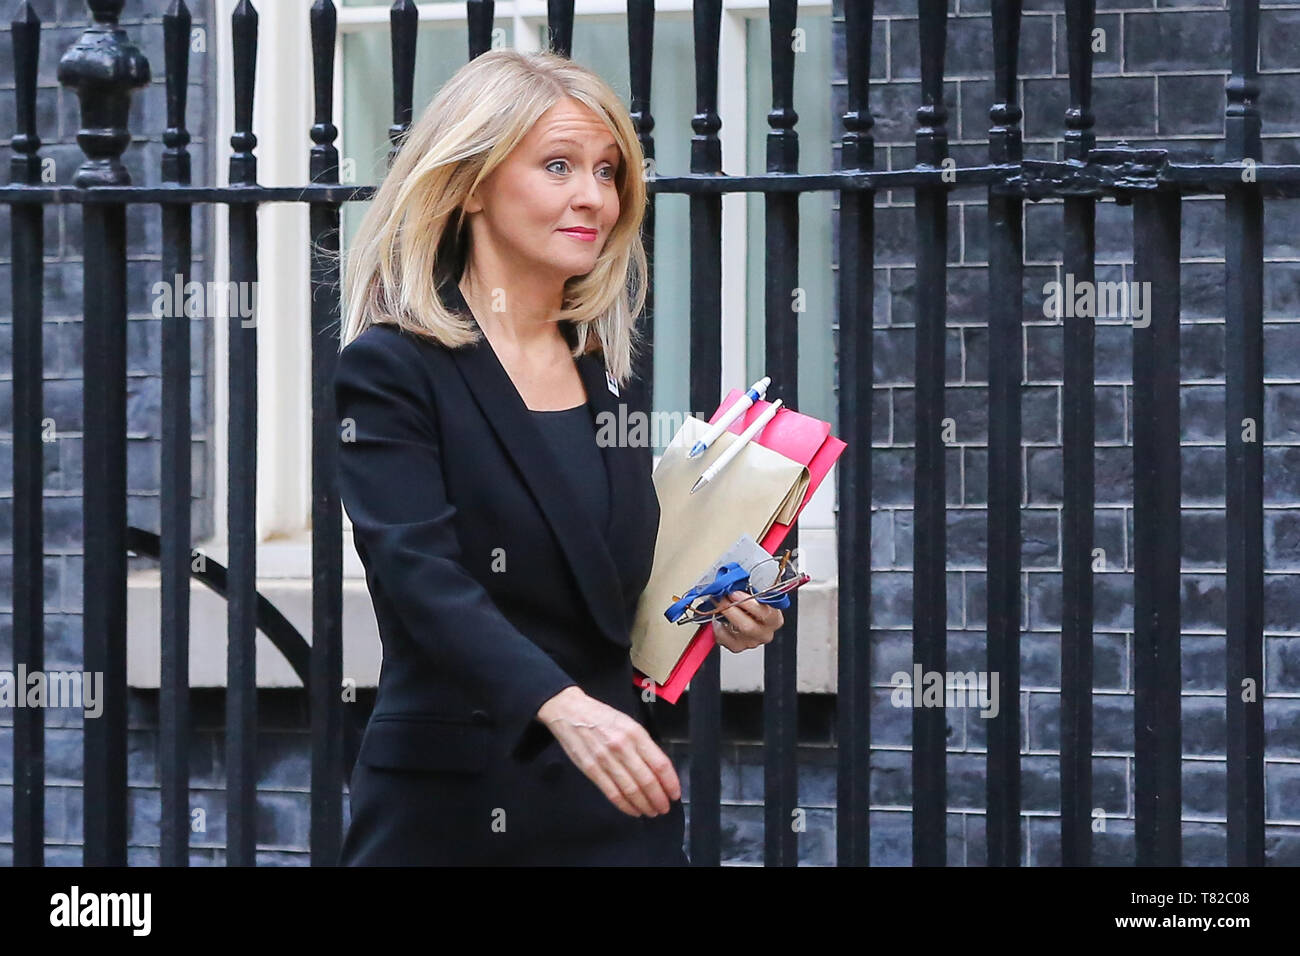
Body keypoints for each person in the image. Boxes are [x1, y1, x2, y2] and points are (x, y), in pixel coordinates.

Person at [334, 48, 784, 866]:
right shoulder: (393, 368)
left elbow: (603, 587)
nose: (594, 196)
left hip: (616, 806)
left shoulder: (606, 374)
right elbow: (420, 578)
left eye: (608, 171)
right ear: (471, 184)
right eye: (558, 165)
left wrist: (724, 606)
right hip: (453, 812)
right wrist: (561, 704)